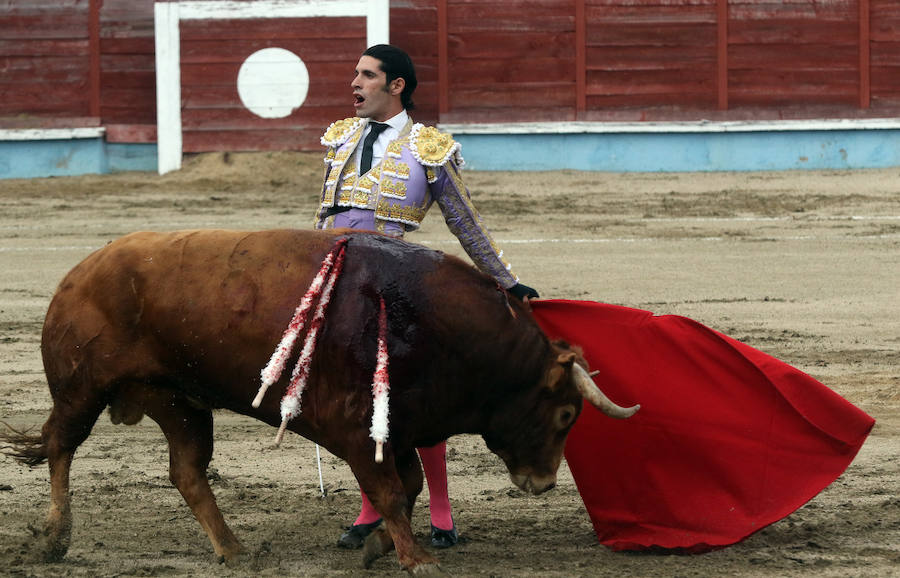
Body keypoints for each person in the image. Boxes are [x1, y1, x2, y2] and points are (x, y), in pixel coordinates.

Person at [314, 44, 539, 550]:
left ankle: (440, 510)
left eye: (367, 76)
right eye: (355, 74)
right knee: (353, 403)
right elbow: (321, 219)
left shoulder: (428, 146)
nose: (354, 83)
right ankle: (372, 505)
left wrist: (505, 281)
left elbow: (465, 222)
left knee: (414, 401)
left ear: (396, 86)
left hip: (393, 285)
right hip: (337, 284)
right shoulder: (340, 138)